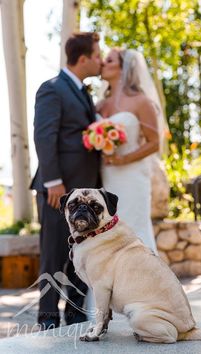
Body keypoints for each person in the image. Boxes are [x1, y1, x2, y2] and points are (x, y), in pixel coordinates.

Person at [31, 32, 102, 329]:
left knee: (81, 258)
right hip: (58, 192)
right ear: (83, 59)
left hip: (85, 193)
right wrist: (54, 182)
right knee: (54, 257)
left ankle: (75, 318)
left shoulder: (84, 92)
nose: (100, 61)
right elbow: (44, 137)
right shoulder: (52, 89)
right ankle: (48, 320)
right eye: (97, 56)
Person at [97, 48, 167, 253]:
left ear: (123, 67)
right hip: (105, 176)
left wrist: (123, 159)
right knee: (108, 233)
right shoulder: (100, 104)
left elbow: (155, 143)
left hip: (132, 176)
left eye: (109, 60)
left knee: (133, 229)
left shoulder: (140, 101)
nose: (103, 63)